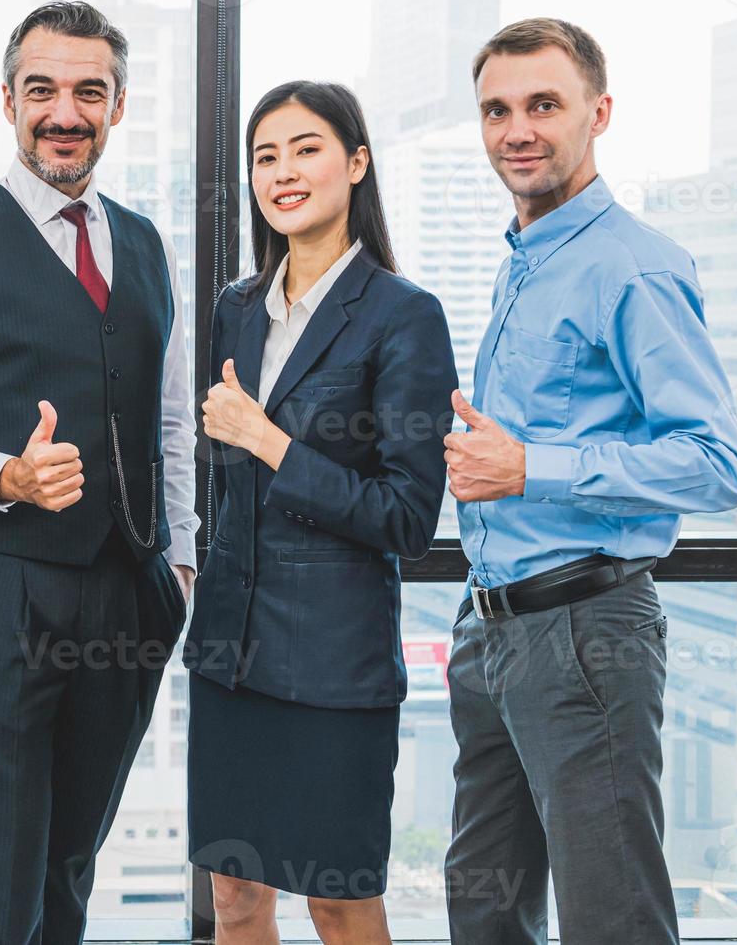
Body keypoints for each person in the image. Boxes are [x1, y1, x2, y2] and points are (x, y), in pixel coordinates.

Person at [0, 0, 198, 945]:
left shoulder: (144, 244)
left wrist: (178, 567)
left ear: (117, 106)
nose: (65, 112)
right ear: (9, 100)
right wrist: (7, 477)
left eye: (87, 92)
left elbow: (172, 423)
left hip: (128, 590)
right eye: (43, 90)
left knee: (70, 867)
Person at [443, 18, 737, 945]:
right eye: (496, 110)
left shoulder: (630, 265)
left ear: (598, 113)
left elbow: (716, 465)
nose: (516, 130)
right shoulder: (527, 259)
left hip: (582, 635)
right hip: (492, 628)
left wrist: (528, 468)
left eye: (543, 105)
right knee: (482, 907)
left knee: (608, 917)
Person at [187, 81, 456, 945]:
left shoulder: (403, 316)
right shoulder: (235, 309)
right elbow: (223, 491)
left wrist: (270, 444)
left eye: (305, 149)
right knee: (232, 899)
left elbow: (407, 518)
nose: (282, 172)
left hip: (336, 667)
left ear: (356, 162)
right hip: (231, 655)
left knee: (339, 905)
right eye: (265, 156)